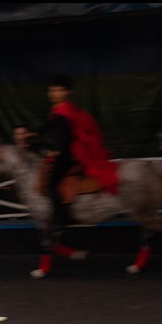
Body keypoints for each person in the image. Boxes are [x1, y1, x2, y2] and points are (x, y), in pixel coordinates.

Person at [34, 74, 118, 234]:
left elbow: (68, 138)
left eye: (60, 91)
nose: (55, 94)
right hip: (68, 151)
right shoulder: (60, 111)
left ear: (67, 92)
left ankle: (62, 217)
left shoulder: (65, 111)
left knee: (51, 183)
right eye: (53, 91)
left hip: (71, 153)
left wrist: (55, 150)